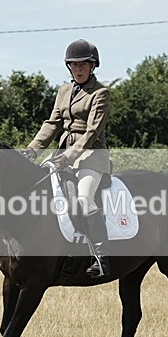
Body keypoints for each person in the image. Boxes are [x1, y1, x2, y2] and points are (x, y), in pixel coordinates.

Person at [22, 39, 111, 278]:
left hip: (91, 157)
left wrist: (69, 156)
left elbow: (92, 132)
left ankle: (101, 257)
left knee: (84, 199)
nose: (78, 69)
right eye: (74, 65)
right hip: (62, 155)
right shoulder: (63, 91)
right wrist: (32, 150)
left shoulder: (100, 93)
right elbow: (52, 123)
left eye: (83, 64)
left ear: (92, 66)